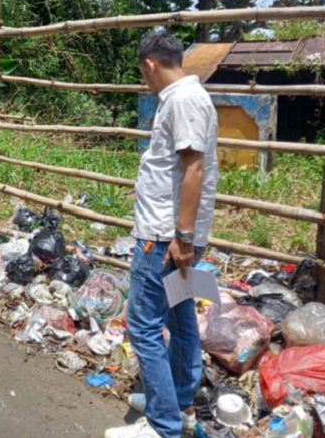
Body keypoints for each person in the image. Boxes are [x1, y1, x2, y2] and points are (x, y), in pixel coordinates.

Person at [105, 31, 218, 438]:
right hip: (175, 234)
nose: (145, 82)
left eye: (143, 74)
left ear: (150, 64)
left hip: (163, 237)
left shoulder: (183, 100)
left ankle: (163, 425)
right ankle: (177, 405)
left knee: (144, 326)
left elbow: (193, 169)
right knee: (181, 317)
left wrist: (182, 237)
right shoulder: (186, 97)